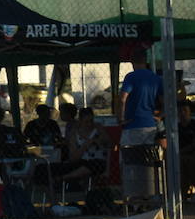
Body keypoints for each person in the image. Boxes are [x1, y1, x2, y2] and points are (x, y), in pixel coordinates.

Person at [118, 49, 164, 202]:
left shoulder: (130, 77)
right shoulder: (156, 78)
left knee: (128, 160)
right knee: (150, 160)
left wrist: (121, 117)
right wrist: (159, 116)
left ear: (132, 62)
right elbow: (164, 101)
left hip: (132, 125)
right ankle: (152, 194)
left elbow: (123, 98)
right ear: (146, 61)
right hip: (150, 125)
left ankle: (131, 195)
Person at [54, 107, 109, 192]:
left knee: (93, 165)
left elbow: (108, 142)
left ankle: (64, 178)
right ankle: (64, 180)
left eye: (91, 121)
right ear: (80, 121)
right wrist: (85, 145)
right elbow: (73, 157)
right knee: (72, 165)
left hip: (97, 161)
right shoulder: (75, 133)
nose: (89, 124)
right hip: (82, 160)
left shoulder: (98, 128)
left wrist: (95, 141)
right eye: (86, 122)